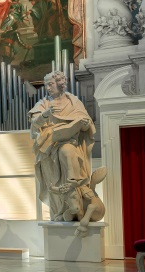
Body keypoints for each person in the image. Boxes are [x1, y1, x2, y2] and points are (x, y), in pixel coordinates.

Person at [29, 71, 95, 221]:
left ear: (60, 84)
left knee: (67, 151)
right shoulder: (43, 103)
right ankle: (58, 212)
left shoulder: (73, 101)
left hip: (70, 142)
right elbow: (35, 123)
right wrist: (45, 114)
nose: (48, 88)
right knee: (53, 181)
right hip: (49, 145)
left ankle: (75, 202)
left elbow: (87, 125)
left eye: (50, 84)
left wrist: (84, 124)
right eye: (46, 85)